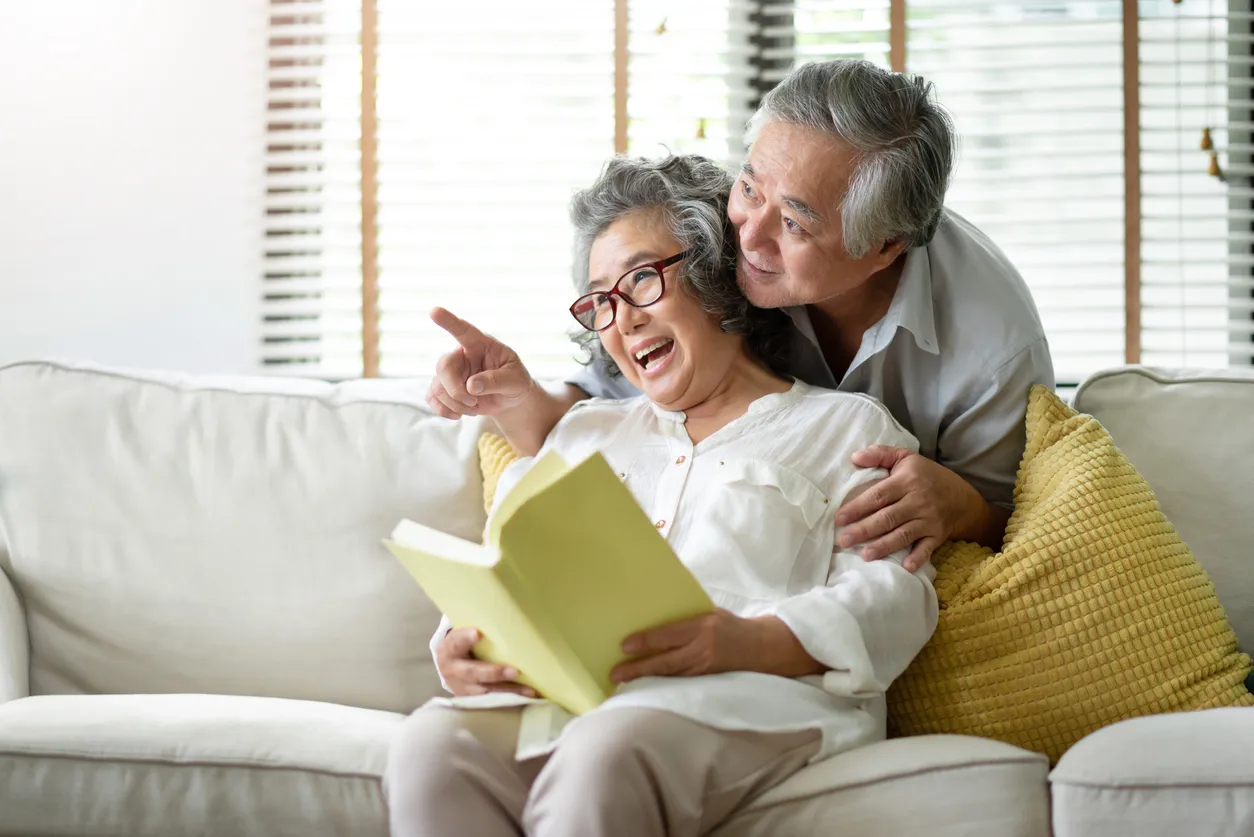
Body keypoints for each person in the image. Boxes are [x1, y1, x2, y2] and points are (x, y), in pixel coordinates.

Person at [387, 155, 939, 837]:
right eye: (602, 302)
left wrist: (745, 640)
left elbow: (898, 594)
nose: (621, 320)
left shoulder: (846, 427)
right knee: (432, 746)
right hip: (582, 704)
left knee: (607, 750)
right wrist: (463, 645)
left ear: (713, 274)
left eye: (641, 280)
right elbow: (506, 568)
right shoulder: (585, 434)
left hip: (752, 701)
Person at [425, 59, 1055, 572]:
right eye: (749, 187)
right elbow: (616, 409)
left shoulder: (992, 347)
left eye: (794, 223)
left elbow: (1020, 522)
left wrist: (961, 505)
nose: (748, 235)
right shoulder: (721, 251)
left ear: (884, 246)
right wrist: (508, 392)